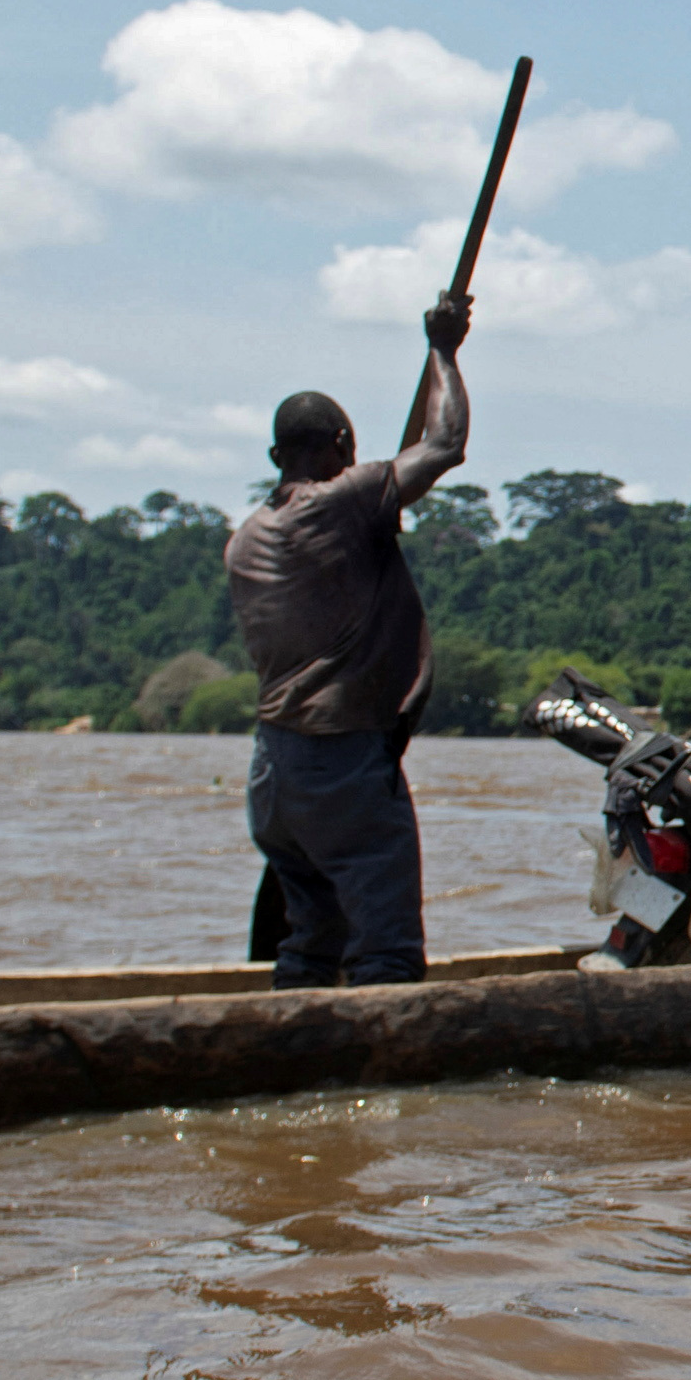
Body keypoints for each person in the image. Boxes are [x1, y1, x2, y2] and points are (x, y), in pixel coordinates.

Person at [228, 294, 473, 986]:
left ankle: (293, 1066)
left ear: (278, 455)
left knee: (313, 944)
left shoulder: (246, 538)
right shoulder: (343, 499)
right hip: (341, 768)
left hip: (274, 776)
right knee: (387, 953)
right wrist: (445, 350)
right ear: (343, 448)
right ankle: (389, 1088)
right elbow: (446, 443)